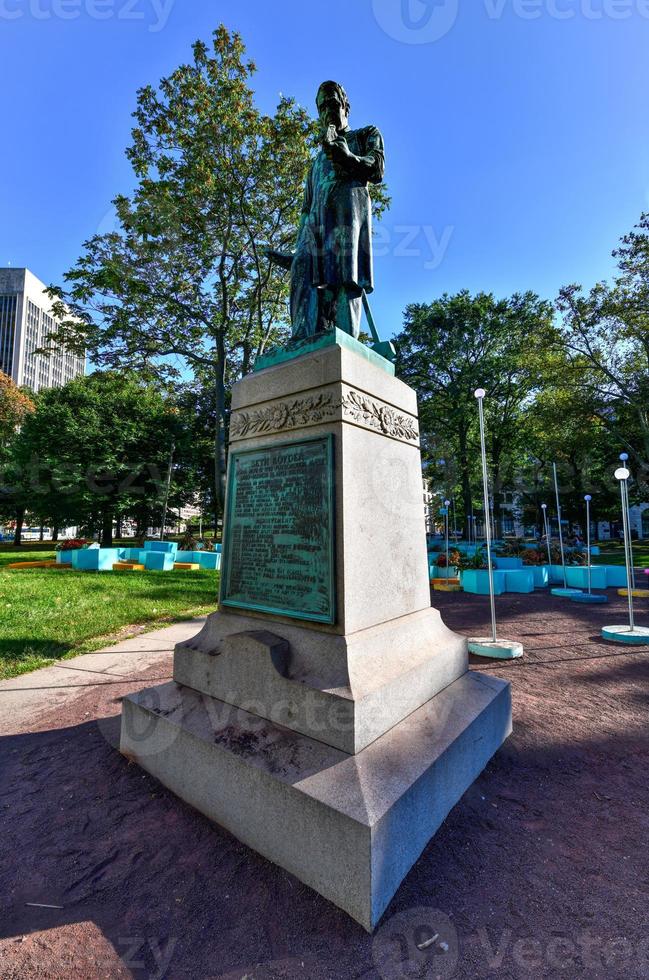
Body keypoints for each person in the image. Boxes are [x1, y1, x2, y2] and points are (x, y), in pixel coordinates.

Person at [267, 80, 385, 340]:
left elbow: (376, 168)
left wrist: (347, 157)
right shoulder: (317, 162)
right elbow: (306, 209)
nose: (328, 112)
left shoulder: (364, 135)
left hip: (349, 216)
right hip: (317, 228)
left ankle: (346, 346)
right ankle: (301, 339)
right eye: (322, 108)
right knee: (306, 278)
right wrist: (300, 248)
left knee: (347, 281)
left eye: (333, 104)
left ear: (346, 106)